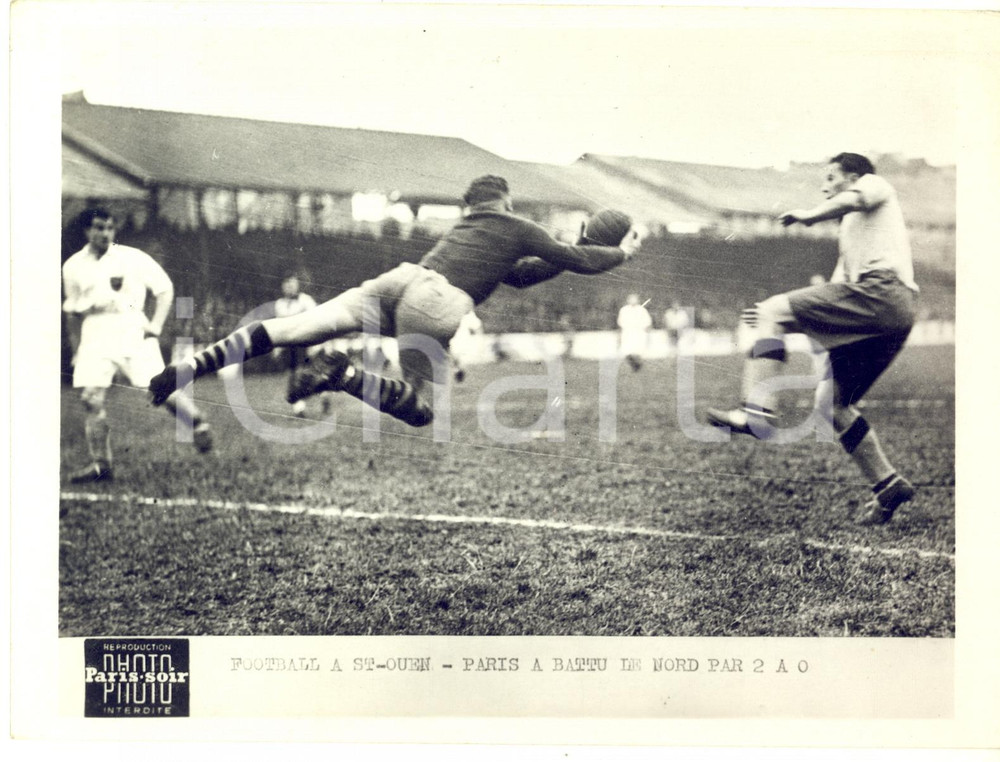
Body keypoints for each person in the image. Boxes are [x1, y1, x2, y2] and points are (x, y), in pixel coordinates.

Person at [149, 176, 641, 427]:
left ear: (471, 205)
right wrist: (620, 251)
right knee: (421, 410)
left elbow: (520, 277)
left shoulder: (468, 228)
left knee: (287, 331)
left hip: (399, 280)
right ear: (506, 201)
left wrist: (573, 253)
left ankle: (186, 370)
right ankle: (342, 375)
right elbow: (577, 258)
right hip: (437, 300)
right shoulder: (515, 225)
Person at [706, 153, 919, 526]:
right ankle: (888, 486)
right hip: (890, 314)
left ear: (853, 176)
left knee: (772, 311)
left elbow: (856, 197)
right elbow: (836, 293)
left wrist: (809, 215)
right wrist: (784, 325)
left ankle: (757, 414)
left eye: (831, 177)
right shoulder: (855, 232)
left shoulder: (873, 185)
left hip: (881, 294)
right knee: (831, 405)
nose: (825, 186)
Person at [63, 207, 212, 483]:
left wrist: (155, 325)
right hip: (95, 332)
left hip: (131, 327)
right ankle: (101, 466)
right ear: (87, 231)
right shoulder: (72, 266)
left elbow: (165, 289)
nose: (105, 233)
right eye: (99, 227)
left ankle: (196, 421)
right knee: (90, 398)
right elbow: (72, 311)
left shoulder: (132, 257)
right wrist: (76, 350)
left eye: (110, 228)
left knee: (159, 390)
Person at [272, 274, 331, 417]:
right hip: (290, 345)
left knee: (311, 374)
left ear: (297, 285)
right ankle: (299, 408)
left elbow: (317, 321)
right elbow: (279, 327)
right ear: (282, 286)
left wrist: (315, 344)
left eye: (292, 283)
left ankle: (324, 395)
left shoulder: (306, 300)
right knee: (293, 374)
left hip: (306, 342)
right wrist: (277, 347)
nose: (290, 287)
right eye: (286, 284)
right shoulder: (279, 304)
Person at [617, 293, 652, 371]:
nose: (633, 301)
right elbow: (620, 323)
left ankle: (637, 367)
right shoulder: (624, 310)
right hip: (627, 333)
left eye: (635, 299)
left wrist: (647, 334)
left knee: (638, 351)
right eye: (631, 299)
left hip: (638, 333)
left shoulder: (642, 310)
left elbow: (647, 322)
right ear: (628, 300)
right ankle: (635, 365)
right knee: (626, 352)